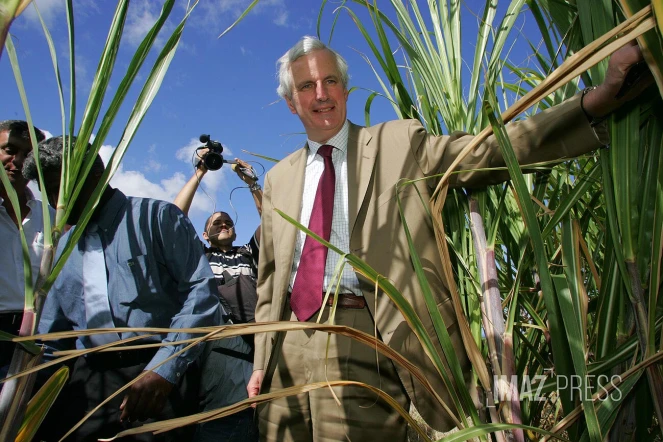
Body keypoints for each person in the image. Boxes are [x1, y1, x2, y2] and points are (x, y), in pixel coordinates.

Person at [247, 36, 652, 441]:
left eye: (330, 81)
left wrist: (595, 101)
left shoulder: (398, 142)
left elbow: (488, 151)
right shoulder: (278, 179)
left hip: (362, 340)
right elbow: (270, 282)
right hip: (286, 348)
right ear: (290, 102)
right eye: (306, 86)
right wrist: (261, 361)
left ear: (345, 90)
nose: (321, 94)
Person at [24, 136, 221, 441]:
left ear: (96, 173)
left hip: (155, 376)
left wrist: (165, 369)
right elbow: (54, 335)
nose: (55, 200)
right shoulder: (62, 249)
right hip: (88, 381)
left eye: (61, 186)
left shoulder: (157, 218)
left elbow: (201, 292)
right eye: (47, 191)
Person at [172, 156, 263, 441]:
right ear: (204, 233)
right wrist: (200, 172)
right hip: (216, 337)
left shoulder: (248, 252)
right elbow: (173, 217)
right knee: (223, 412)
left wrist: (252, 184)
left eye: (228, 221)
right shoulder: (200, 254)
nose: (223, 224)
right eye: (216, 222)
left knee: (252, 408)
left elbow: (273, 220)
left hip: (255, 334)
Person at [0, 120, 47, 377]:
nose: (17, 161)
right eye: (9, 150)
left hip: (38, 340)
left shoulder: (50, 218)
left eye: (28, 155)